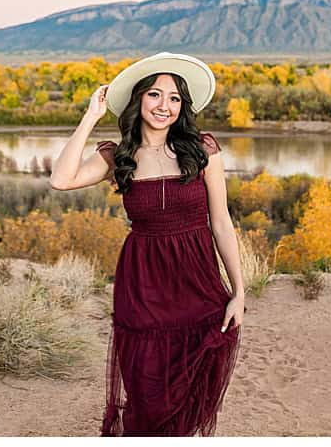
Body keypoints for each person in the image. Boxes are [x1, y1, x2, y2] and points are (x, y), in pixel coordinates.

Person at [49, 52, 244, 435]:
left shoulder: (202, 151)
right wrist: (91, 116)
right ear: (139, 99)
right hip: (143, 284)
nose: (164, 106)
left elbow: (221, 223)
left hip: (195, 282)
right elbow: (61, 179)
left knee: (188, 388)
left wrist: (239, 291)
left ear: (182, 106)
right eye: (155, 94)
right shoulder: (117, 156)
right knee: (146, 388)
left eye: (174, 98)